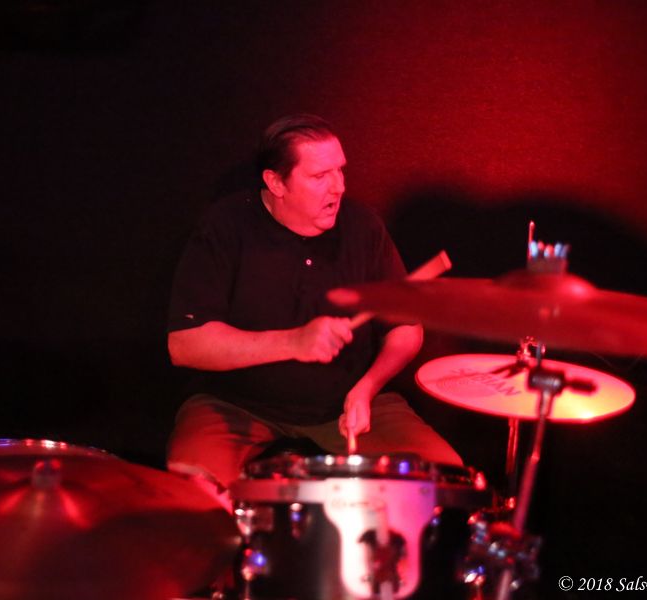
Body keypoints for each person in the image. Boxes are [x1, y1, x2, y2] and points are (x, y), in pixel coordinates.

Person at [166, 114, 462, 505]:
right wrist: (294, 342)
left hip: (349, 402)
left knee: (444, 482)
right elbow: (185, 346)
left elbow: (406, 329)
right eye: (320, 175)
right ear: (276, 183)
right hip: (234, 404)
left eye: (340, 170)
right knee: (191, 494)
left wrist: (368, 387)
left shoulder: (363, 227)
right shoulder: (226, 226)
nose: (339, 187)